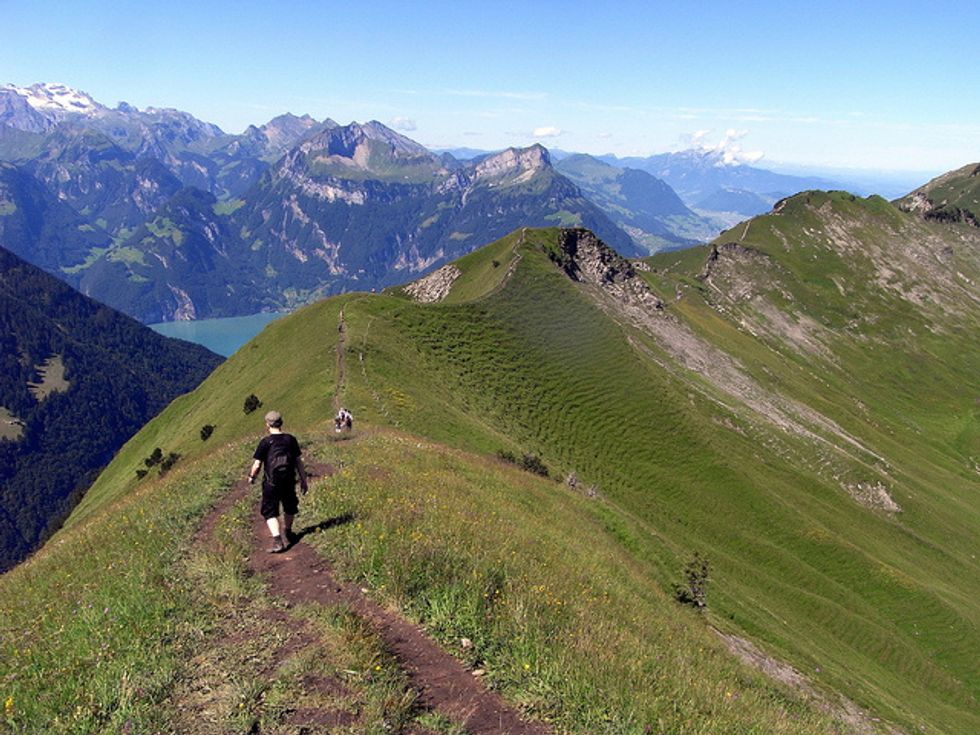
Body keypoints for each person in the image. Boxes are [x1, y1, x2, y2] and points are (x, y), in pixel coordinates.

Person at [248, 410, 309, 553]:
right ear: (281, 423)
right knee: (289, 507)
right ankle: (288, 532)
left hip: (271, 483)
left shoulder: (265, 442)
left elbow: (257, 465)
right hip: (288, 481)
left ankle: (277, 541)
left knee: (269, 511)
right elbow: (298, 462)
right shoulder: (290, 439)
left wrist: (252, 477)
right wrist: (303, 480)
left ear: (267, 424)